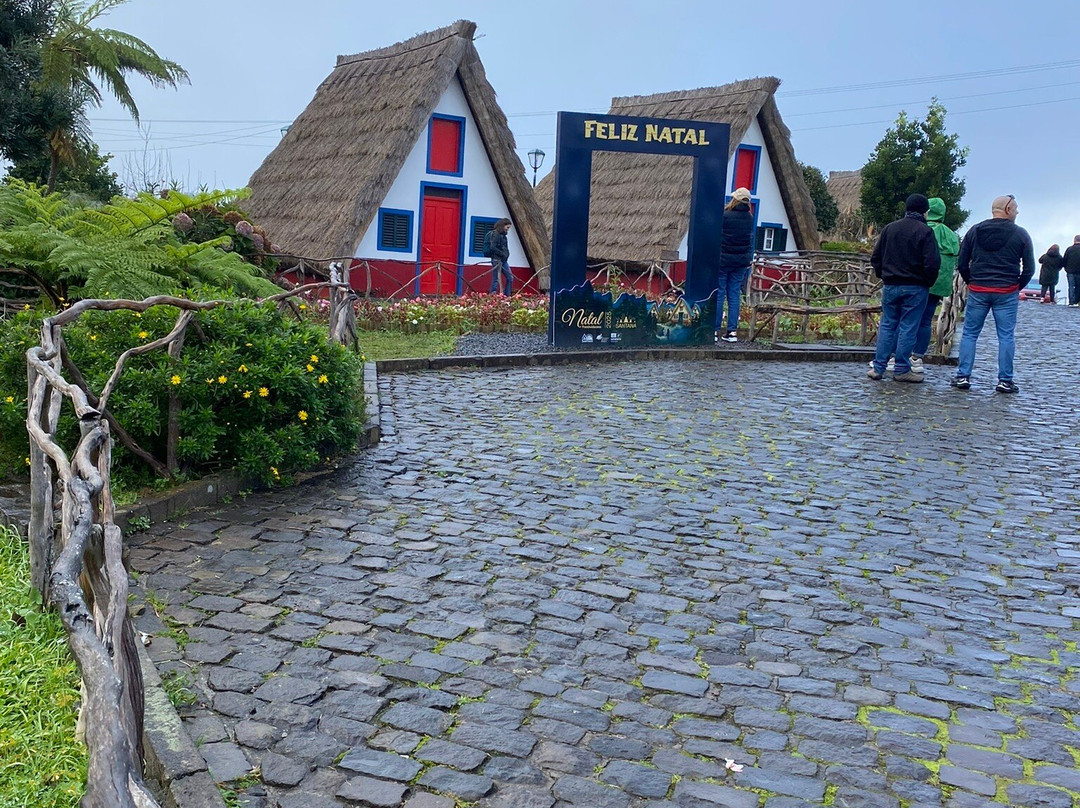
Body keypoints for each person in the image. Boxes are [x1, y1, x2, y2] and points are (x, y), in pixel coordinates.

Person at [952, 194, 1035, 393]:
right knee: (1006, 336)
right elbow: (1029, 269)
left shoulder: (975, 231)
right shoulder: (1021, 234)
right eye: (1015, 208)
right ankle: (1005, 380)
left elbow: (962, 263)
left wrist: (972, 281)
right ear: (1007, 209)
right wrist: (1016, 286)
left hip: (979, 289)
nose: (1017, 212)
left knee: (970, 333)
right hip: (1006, 290)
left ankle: (963, 376)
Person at [868, 194, 941, 383]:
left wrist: (884, 275)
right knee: (909, 326)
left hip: (891, 284)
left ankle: (878, 367)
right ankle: (901, 369)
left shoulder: (889, 228)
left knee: (887, 324)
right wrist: (927, 282)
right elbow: (932, 263)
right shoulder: (925, 232)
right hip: (915, 286)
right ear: (925, 212)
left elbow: (876, 257)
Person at [715, 187, 755, 343]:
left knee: (719, 294)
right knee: (734, 295)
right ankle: (732, 332)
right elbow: (750, 241)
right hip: (740, 263)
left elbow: (718, 237)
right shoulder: (749, 218)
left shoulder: (725, 216)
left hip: (723, 260)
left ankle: (715, 330)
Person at [488, 218, 513, 295]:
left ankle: (507, 295)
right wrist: (502, 253)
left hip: (503, 260)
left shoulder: (504, 236)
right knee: (496, 278)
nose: (508, 229)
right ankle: (493, 293)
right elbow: (492, 247)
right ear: (503, 226)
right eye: (507, 227)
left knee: (510, 277)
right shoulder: (496, 234)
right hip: (497, 259)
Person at [1062, 236, 1080, 306]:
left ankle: (1071, 302)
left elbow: (1064, 260)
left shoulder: (1069, 249)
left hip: (1070, 271)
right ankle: (1076, 301)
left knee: (1071, 287)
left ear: (1074, 240)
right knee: (1078, 287)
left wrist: (1066, 268)